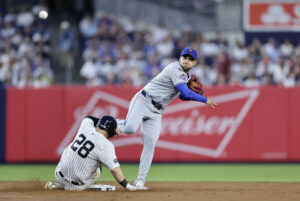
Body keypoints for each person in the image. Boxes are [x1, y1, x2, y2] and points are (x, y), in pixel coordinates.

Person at [117, 47, 217, 189]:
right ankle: (105, 123)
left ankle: (140, 182)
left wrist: (192, 92)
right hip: (144, 100)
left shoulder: (186, 77)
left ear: (195, 63)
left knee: (150, 143)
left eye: (190, 59)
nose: (186, 60)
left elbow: (182, 96)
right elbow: (186, 93)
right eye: (184, 57)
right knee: (130, 128)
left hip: (157, 112)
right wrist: (203, 98)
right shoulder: (174, 69)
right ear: (180, 58)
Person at [45, 115, 146, 191]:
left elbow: (88, 117)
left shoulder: (86, 127)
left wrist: (104, 124)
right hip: (74, 186)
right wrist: (129, 187)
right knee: (98, 168)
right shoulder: (106, 145)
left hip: (58, 174)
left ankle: (59, 185)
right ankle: (84, 186)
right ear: (111, 131)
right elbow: (115, 171)